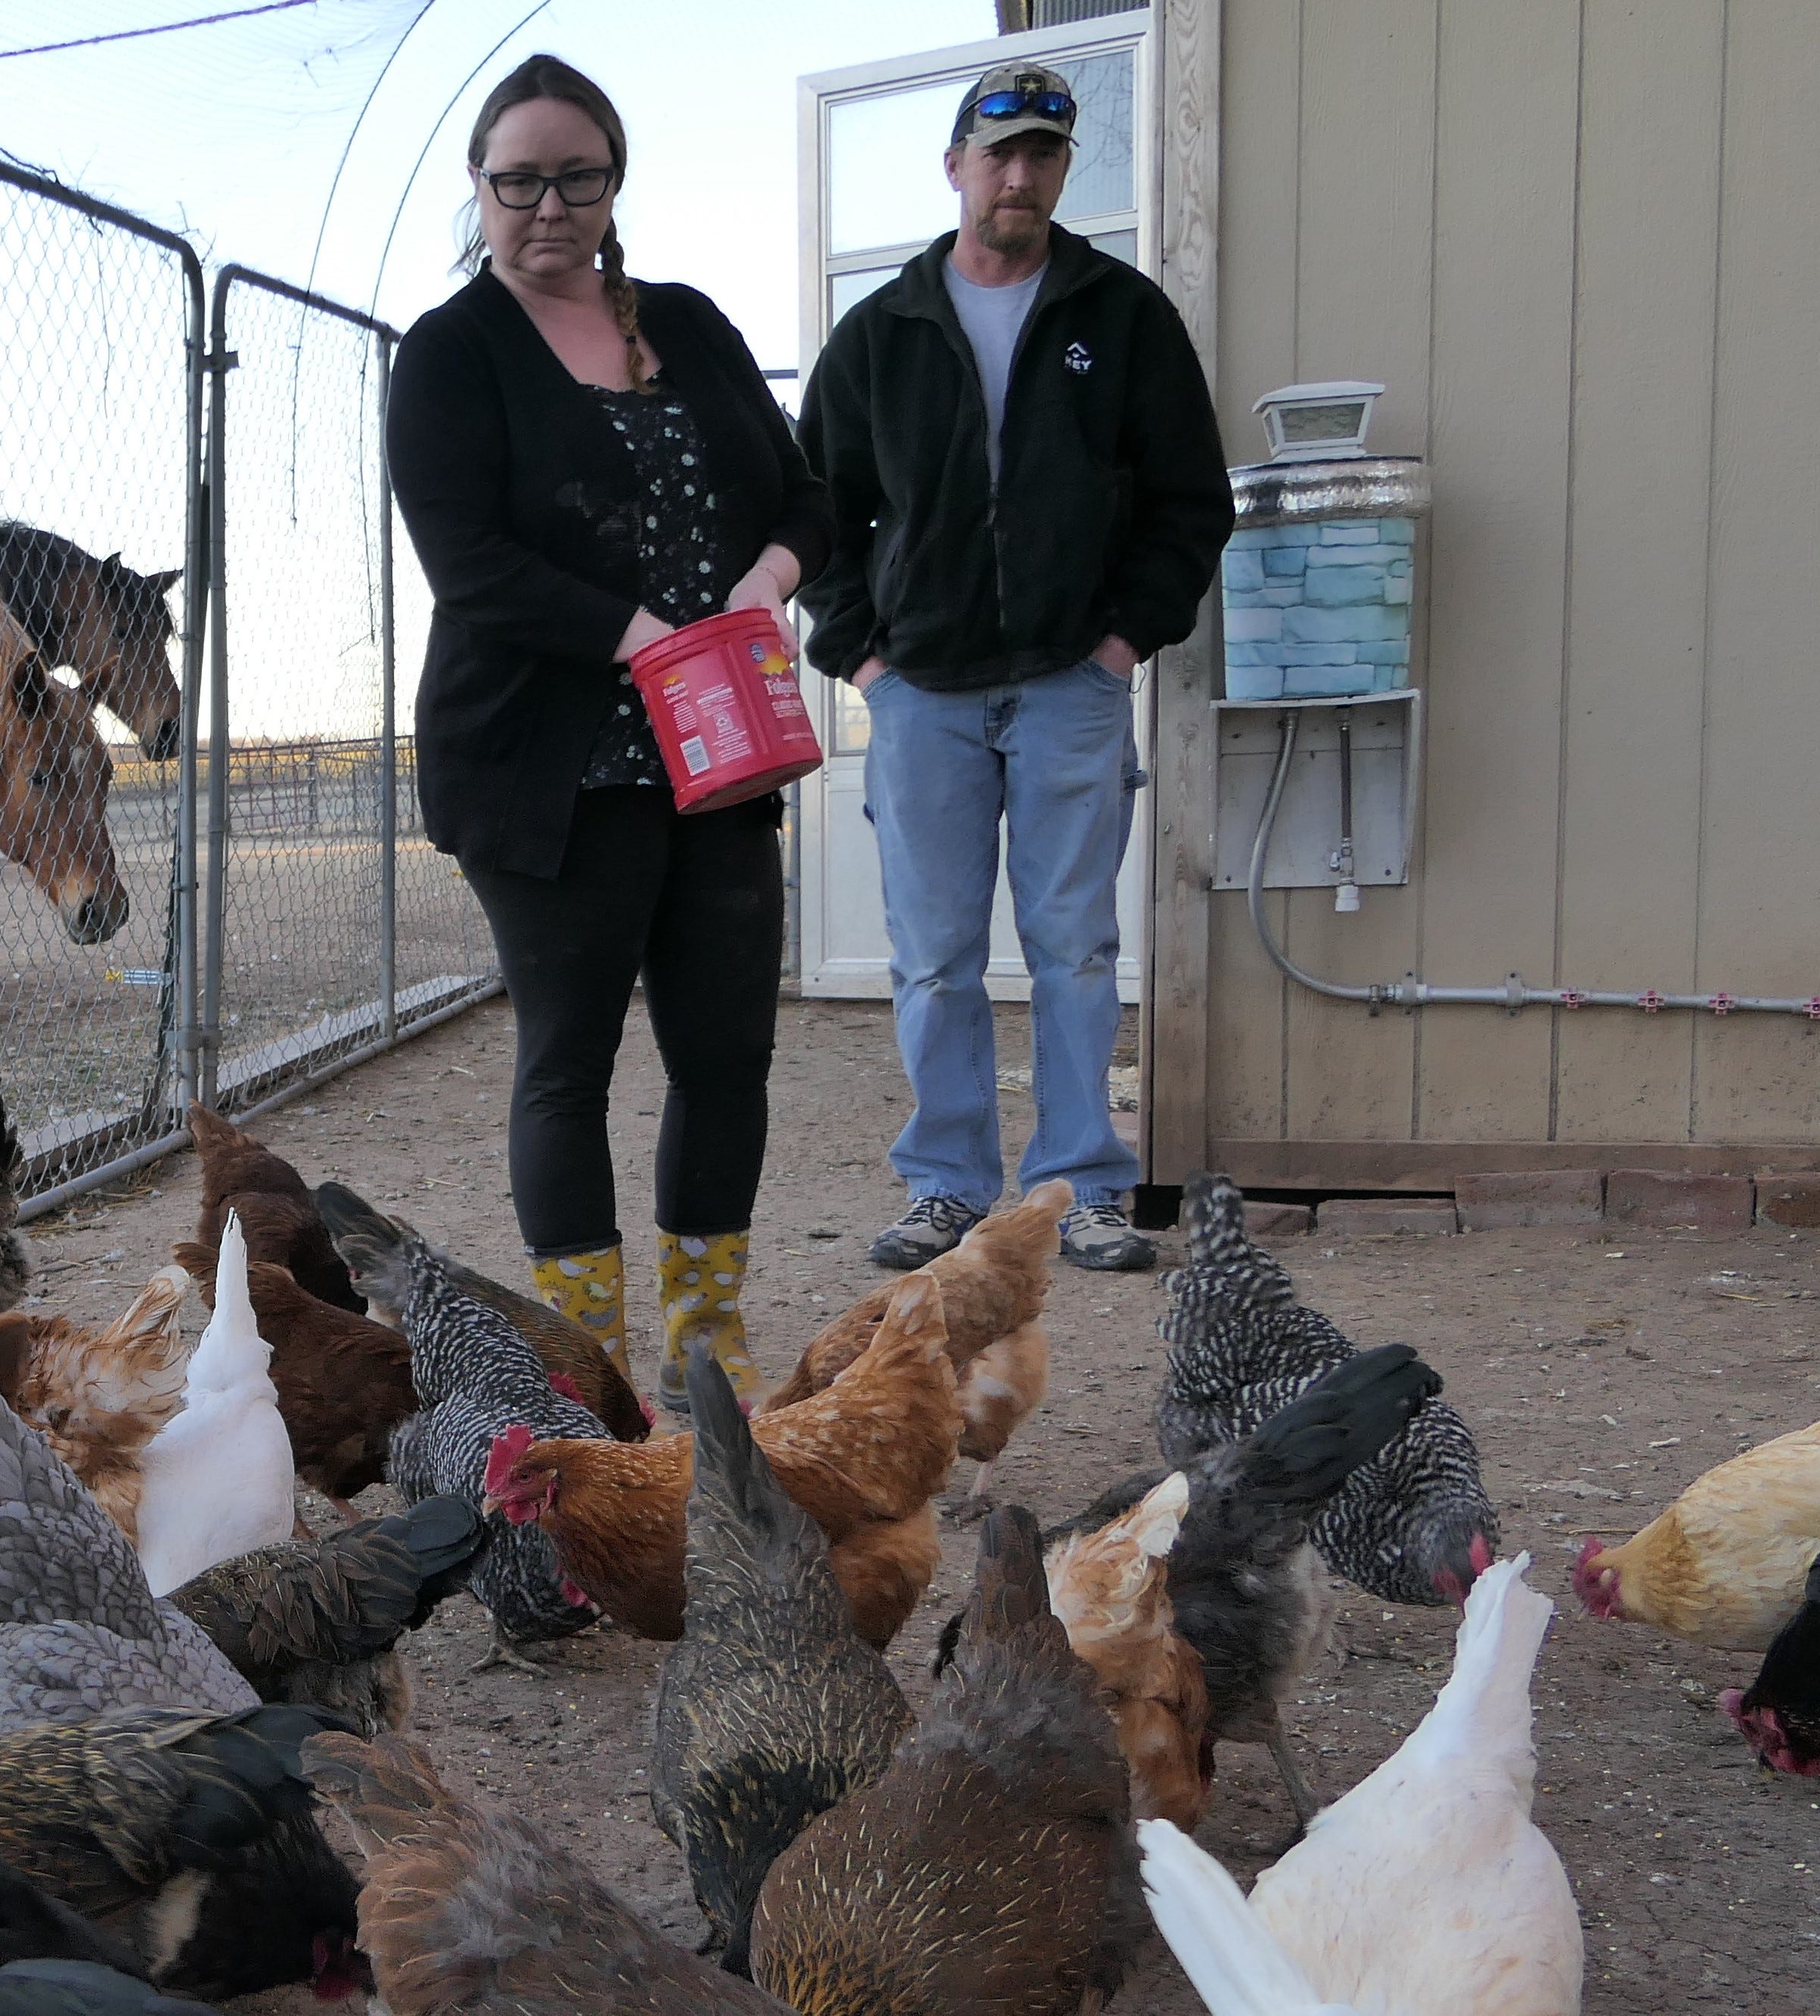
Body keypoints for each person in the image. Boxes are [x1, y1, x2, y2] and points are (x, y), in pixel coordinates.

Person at [386, 54, 832, 1407]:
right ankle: (585, 1368)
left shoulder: (687, 326)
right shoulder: (452, 353)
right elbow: (467, 561)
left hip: (717, 752)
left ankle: (706, 1337)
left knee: (724, 1052)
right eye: (516, 181)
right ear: (480, 186)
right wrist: (643, 637)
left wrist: (766, 579)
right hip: (550, 762)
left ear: (612, 182)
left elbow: (804, 494)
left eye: (575, 178)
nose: (546, 207)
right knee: (567, 1058)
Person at [798, 60, 1232, 1274]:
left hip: (1068, 684)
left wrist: (1119, 643)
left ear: (1059, 172)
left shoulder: (1121, 314)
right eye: (998, 154)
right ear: (955, 169)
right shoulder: (879, 332)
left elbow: (1187, 502)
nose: (1019, 174)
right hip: (921, 691)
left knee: (1076, 948)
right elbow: (817, 510)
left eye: (1043, 154)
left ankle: (1081, 1185)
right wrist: (861, 656)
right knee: (932, 955)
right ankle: (946, 1186)